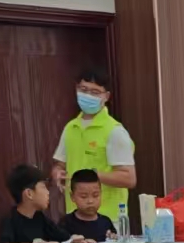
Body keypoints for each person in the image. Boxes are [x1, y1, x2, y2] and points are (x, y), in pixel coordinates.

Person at [50, 65, 136, 230]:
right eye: (83, 90)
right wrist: (57, 173)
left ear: (106, 96)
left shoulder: (114, 131)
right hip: (74, 218)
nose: (88, 95)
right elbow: (59, 164)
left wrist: (93, 175)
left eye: (95, 92)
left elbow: (129, 178)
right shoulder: (71, 128)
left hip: (109, 219)